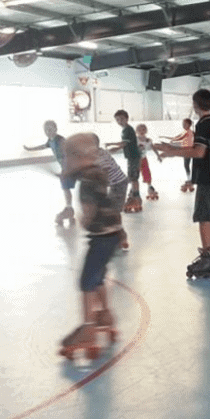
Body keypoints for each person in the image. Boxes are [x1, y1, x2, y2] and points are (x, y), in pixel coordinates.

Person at [57, 133, 126, 361]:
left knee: (86, 282)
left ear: (78, 157)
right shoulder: (98, 172)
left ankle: (88, 330)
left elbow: (89, 214)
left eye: (67, 157)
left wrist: (83, 220)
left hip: (100, 238)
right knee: (98, 277)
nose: (65, 161)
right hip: (114, 234)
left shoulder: (86, 182)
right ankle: (105, 315)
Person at [154, 89, 210, 278]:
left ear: (195, 105)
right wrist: (172, 147)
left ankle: (207, 256)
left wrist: (171, 152)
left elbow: (199, 152)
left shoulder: (203, 125)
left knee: (203, 217)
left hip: (209, 178)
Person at [24, 120, 75, 224]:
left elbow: (68, 154)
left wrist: (65, 170)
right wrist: (30, 149)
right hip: (65, 168)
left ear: (56, 129)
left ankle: (69, 208)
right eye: (46, 130)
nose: (48, 131)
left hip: (70, 167)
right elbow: (43, 146)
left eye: (50, 129)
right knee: (65, 187)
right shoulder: (50, 140)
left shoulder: (60, 140)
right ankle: (69, 208)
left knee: (66, 186)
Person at [105, 109, 143, 212]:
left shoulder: (128, 130)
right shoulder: (126, 130)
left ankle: (136, 197)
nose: (119, 121)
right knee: (131, 176)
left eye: (122, 119)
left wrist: (115, 149)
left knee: (133, 178)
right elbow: (123, 142)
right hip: (132, 157)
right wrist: (111, 144)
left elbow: (124, 144)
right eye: (117, 119)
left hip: (134, 157)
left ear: (127, 119)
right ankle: (133, 195)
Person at [161, 118, 195, 192]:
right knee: (186, 165)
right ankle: (189, 179)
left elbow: (178, 138)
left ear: (189, 125)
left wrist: (170, 141)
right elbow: (176, 137)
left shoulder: (189, 132)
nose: (183, 125)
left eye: (185, 124)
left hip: (188, 150)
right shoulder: (185, 132)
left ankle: (190, 180)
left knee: (187, 165)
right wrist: (166, 137)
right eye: (183, 124)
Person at [134, 123, 162, 200]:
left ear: (146, 131)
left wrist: (158, 156)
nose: (141, 131)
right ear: (136, 131)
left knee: (146, 172)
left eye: (143, 129)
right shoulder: (135, 139)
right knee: (135, 174)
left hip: (143, 159)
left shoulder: (148, 140)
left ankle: (149, 187)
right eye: (139, 129)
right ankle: (133, 190)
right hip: (135, 160)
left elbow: (153, 148)